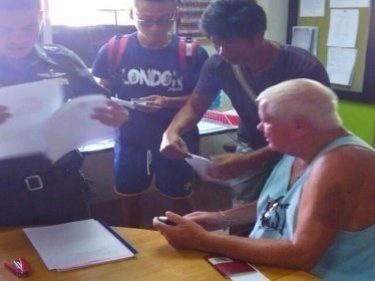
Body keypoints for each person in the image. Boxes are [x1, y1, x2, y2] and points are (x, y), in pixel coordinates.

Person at [154, 79, 375, 281]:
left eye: (267, 120)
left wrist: (202, 240)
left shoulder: (341, 163)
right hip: (271, 269)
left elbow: (301, 254)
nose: (260, 127)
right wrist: (219, 219)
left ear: (299, 125)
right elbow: (279, 203)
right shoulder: (298, 148)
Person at [160, 0, 330, 208]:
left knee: (292, 211)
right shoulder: (218, 65)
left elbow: (314, 133)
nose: (221, 51)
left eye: (229, 43)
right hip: (251, 144)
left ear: (258, 36)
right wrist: (171, 132)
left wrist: (249, 160)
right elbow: (195, 106)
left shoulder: (304, 69)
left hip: (298, 152)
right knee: (243, 212)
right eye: (215, 42)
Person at [0, 0, 128, 226]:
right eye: (5, 29)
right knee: (12, 262)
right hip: (5, 196)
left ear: (40, 18)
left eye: (28, 28)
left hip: (62, 189)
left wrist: (116, 117)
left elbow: (101, 106)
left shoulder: (63, 59)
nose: (17, 39)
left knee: (82, 260)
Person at [92, 0, 208, 200]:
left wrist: (166, 101)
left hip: (177, 139)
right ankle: (130, 233)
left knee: (180, 199)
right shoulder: (114, 49)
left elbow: (202, 99)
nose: (155, 28)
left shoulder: (192, 53)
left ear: (176, 15)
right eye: (145, 21)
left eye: (165, 20)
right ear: (132, 15)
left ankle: (182, 232)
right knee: (128, 196)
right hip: (130, 139)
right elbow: (102, 91)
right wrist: (102, 103)